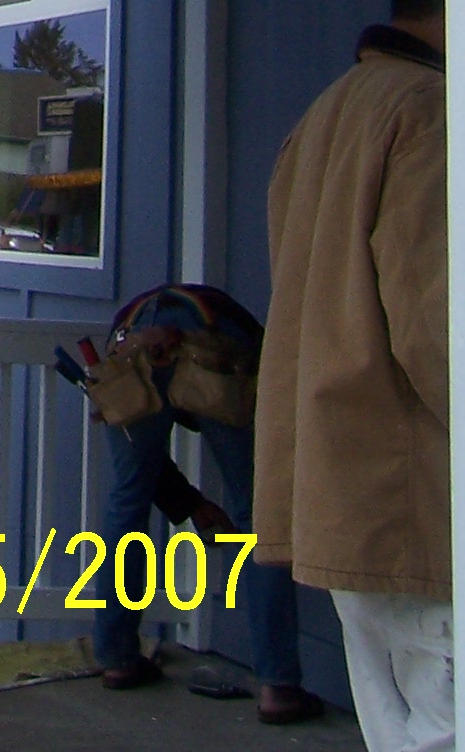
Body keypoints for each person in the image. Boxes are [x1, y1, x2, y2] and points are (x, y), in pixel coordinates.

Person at [259, 0, 450, 752]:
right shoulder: (431, 113)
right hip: (419, 507)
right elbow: (443, 328)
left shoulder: (326, 114)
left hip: (339, 500)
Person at [90, 280, 321, 722]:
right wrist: (194, 505)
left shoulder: (130, 335)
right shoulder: (256, 347)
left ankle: (116, 657)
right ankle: (279, 687)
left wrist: (191, 505)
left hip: (130, 345)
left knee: (127, 500)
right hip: (218, 347)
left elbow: (146, 466)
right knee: (258, 514)